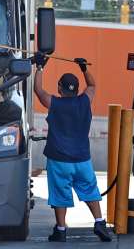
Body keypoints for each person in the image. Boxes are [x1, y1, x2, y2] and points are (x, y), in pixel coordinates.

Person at [32, 53, 112, 243]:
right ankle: (100, 223)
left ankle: (60, 230)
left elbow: (38, 90)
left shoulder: (54, 103)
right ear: (76, 89)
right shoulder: (85, 101)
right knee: (90, 190)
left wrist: (40, 67)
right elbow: (92, 86)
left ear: (60, 88)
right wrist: (84, 68)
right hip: (82, 159)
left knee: (60, 194)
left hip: (59, 160)